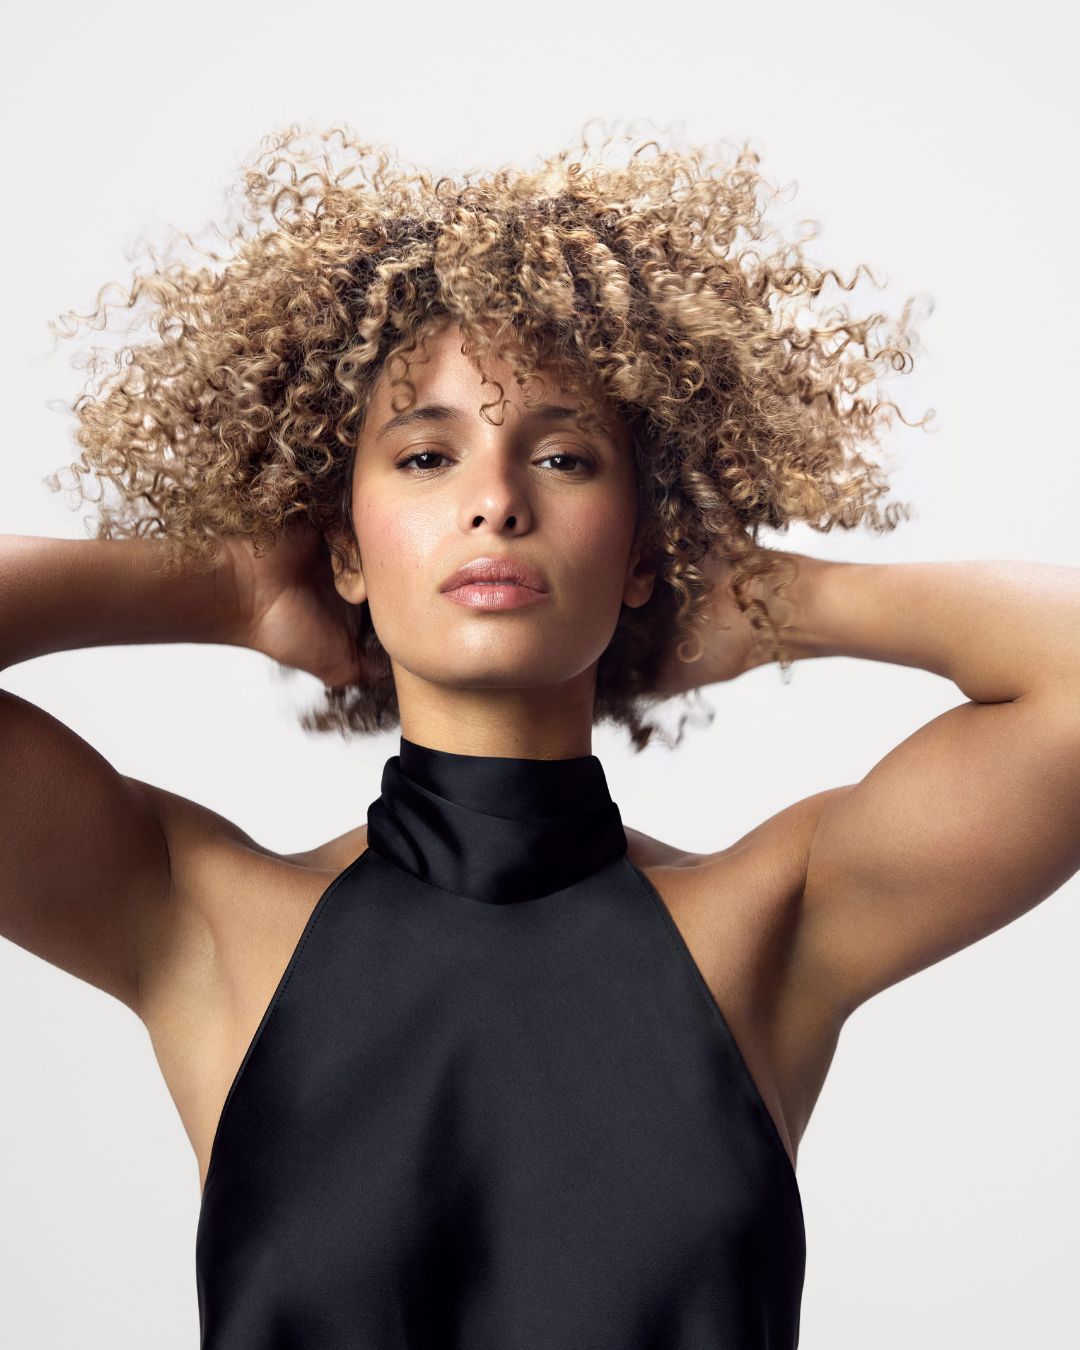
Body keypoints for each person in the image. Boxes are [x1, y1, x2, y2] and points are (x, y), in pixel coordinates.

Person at [3, 124, 1079, 1348]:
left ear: (642, 546)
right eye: (425, 454)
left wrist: (781, 597)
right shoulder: (202, 923)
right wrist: (231, 590)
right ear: (343, 547)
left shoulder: (770, 921)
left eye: (564, 456)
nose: (496, 499)